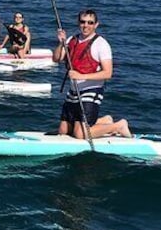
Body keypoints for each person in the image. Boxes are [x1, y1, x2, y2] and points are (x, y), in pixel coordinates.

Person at [53, 9, 131, 139]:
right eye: (83, 22)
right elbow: (56, 59)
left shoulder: (101, 44)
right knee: (63, 130)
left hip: (91, 91)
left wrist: (81, 76)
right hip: (73, 92)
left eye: (90, 22)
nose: (86, 25)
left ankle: (118, 126)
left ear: (96, 24)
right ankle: (105, 121)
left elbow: (108, 73)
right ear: (78, 23)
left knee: (79, 134)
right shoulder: (72, 39)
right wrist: (61, 44)